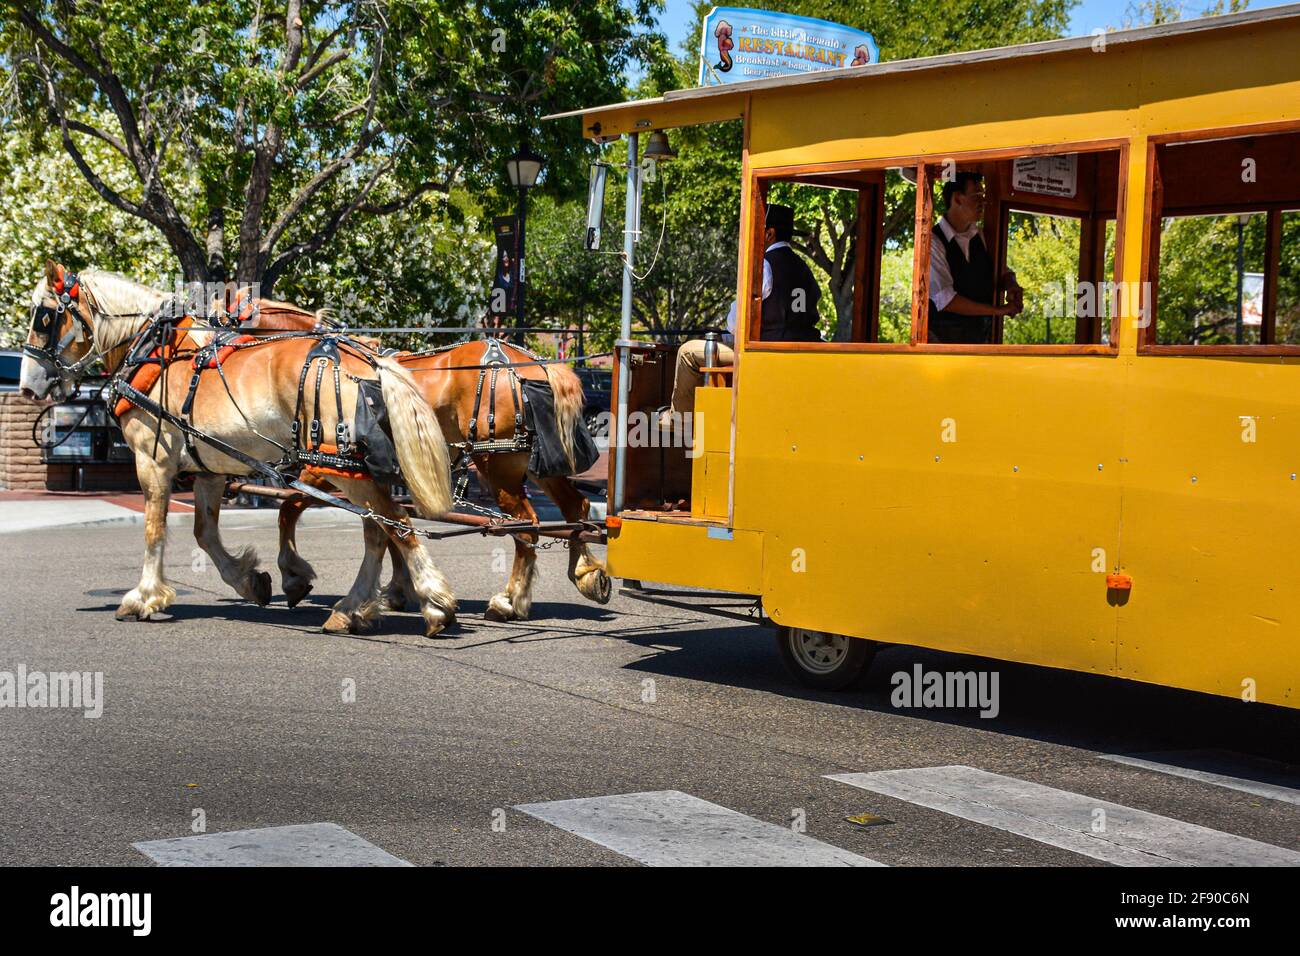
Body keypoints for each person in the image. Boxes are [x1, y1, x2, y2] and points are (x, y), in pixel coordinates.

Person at [663, 203, 820, 424]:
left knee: (688, 352)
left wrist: (726, 332)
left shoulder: (764, 266)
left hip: (766, 356)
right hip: (804, 353)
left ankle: (679, 421)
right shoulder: (804, 268)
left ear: (769, 233)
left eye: (756, 230)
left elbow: (735, 324)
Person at [928, 171, 1023, 343]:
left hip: (980, 342)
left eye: (983, 195)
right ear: (957, 199)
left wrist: (1011, 283)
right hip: (943, 349)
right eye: (977, 195)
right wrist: (997, 310)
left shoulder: (981, 236)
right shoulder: (933, 241)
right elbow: (945, 300)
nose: (983, 201)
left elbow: (999, 270)